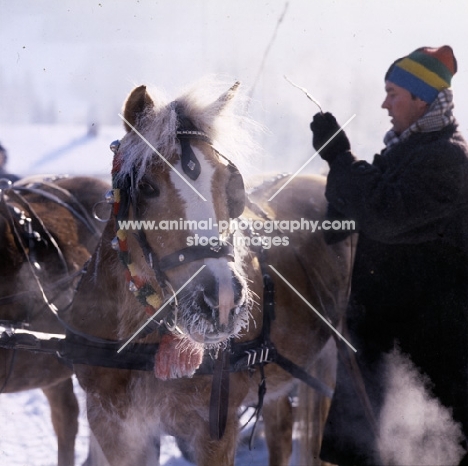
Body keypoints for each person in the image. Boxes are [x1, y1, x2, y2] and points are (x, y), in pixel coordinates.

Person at [310, 45, 468, 465]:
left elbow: (383, 215)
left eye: (393, 92)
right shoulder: (406, 151)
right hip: (389, 348)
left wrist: (340, 157)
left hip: (423, 361)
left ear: (422, 98)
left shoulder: (448, 158)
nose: (384, 103)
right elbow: (359, 213)